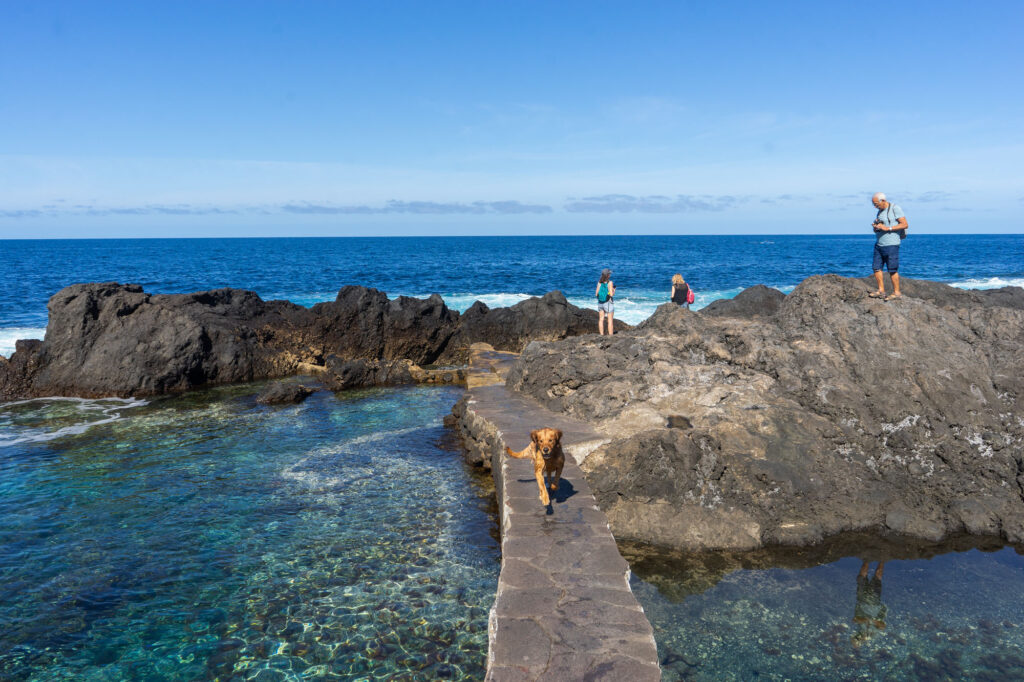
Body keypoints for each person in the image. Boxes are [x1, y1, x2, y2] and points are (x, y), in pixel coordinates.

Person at [868, 192, 908, 301]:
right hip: (879, 243)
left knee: (892, 269)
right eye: (874, 204)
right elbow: (880, 226)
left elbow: (905, 224)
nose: (875, 206)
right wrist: (876, 227)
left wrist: (887, 228)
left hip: (892, 244)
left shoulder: (895, 208)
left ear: (883, 201)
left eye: (876, 204)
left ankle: (897, 293)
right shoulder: (879, 212)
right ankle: (881, 290)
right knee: (876, 267)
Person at [851, 560, 887, 647]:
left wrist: (866, 620)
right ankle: (882, 559)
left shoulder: (859, 631)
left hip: (862, 599)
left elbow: (855, 620)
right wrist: (872, 621)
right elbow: (882, 626)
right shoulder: (871, 635)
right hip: (873, 600)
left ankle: (868, 559)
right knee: (876, 578)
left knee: (862, 578)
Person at [595, 268, 615, 335]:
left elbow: (596, 294)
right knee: (610, 321)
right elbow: (611, 294)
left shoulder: (599, 283)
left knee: (601, 319)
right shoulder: (610, 283)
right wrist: (614, 290)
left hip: (600, 303)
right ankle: (611, 336)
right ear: (608, 275)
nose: (610, 274)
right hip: (608, 303)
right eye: (609, 273)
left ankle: (601, 335)